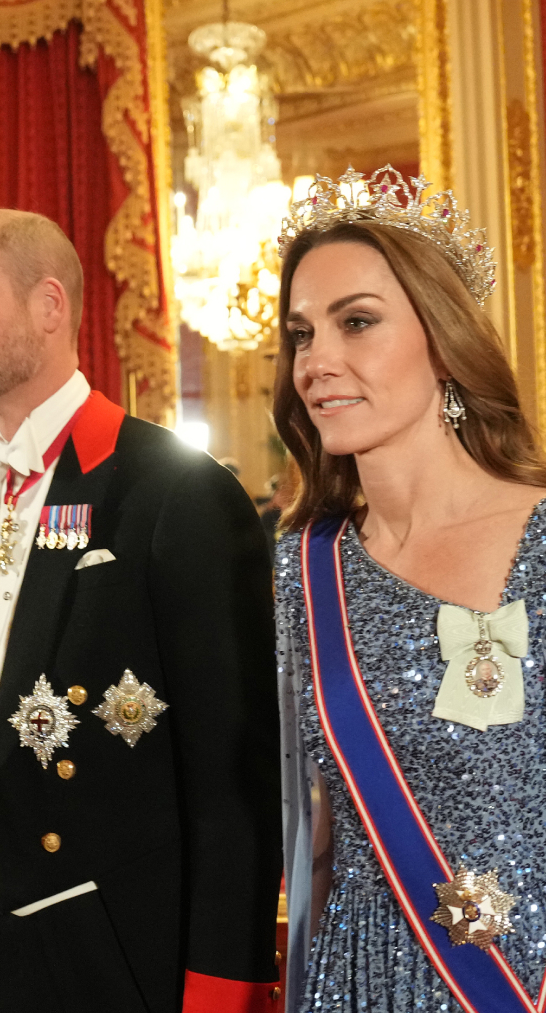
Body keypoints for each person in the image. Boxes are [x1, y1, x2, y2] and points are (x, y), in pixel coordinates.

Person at [0, 208, 282, 1012]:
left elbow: (232, 779)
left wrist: (225, 989)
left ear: (49, 306)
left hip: (104, 948)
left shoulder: (175, 491)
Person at [275, 167, 546, 1013]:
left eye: (357, 322)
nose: (317, 361)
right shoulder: (300, 570)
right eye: (300, 334)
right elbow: (307, 828)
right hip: (356, 979)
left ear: (442, 337)